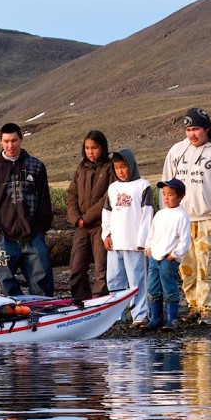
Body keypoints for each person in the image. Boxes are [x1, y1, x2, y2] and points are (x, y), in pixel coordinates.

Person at [0, 122, 54, 297]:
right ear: (0, 142)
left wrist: (41, 227)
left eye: (14, 140)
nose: (10, 145)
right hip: (3, 237)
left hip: (33, 235)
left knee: (42, 281)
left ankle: (44, 316)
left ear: (21, 139)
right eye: (6, 141)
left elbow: (44, 199)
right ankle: (14, 318)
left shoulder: (36, 166)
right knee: (6, 284)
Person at [161, 107, 211, 324]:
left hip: (208, 218)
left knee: (207, 265)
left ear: (207, 129)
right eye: (188, 129)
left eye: (196, 129)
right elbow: (166, 184)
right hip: (182, 218)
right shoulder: (177, 151)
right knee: (186, 266)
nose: (192, 134)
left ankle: (208, 307)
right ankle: (193, 305)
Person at [101, 148, 153, 327]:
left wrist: (142, 241)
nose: (120, 171)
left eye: (123, 167)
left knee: (137, 280)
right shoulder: (113, 188)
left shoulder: (143, 186)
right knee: (114, 280)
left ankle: (140, 314)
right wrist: (106, 234)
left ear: (131, 165)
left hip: (134, 244)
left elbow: (147, 214)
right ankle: (116, 315)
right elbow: (107, 212)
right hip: (115, 244)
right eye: (116, 168)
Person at [66, 130, 114, 300]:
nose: (90, 152)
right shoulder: (81, 169)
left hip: (101, 226)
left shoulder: (110, 168)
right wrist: (75, 218)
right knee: (76, 268)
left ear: (102, 147)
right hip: (81, 227)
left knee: (101, 269)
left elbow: (108, 197)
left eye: (94, 148)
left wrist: (86, 218)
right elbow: (72, 195)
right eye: (87, 148)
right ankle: (81, 302)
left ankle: (100, 304)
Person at [143, 179, 191, 331]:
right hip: (154, 257)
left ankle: (172, 319)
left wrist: (174, 255)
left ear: (180, 196)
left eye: (170, 195)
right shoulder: (160, 214)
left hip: (168, 259)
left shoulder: (182, 216)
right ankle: (155, 318)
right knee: (152, 287)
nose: (166, 198)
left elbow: (184, 240)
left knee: (169, 288)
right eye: (164, 194)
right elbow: (152, 233)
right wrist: (148, 248)